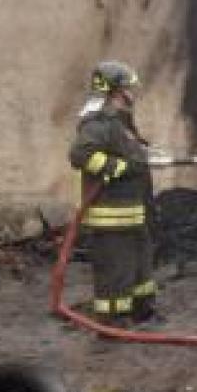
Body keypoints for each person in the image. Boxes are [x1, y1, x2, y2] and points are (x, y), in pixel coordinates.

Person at [68, 60, 159, 326]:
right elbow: (79, 154)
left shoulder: (120, 121)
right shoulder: (98, 122)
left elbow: (130, 152)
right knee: (116, 271)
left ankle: (142, 311)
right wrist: (116, 167)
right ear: (115, 91)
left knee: (141, 265)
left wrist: (147, 156)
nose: (132, 93)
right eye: (128, 88)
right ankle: (112, 321)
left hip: (133, 212)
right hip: (111, 215)